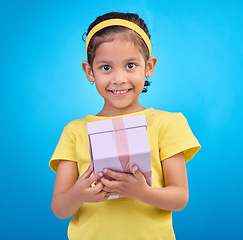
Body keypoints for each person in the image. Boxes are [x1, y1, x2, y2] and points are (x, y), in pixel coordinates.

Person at [50, 12, 201, 240]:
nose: (119, 78)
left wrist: (140, 192)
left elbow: (180, 198)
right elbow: (60, 209)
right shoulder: (75, 131)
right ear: (89, 71)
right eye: (106, 67)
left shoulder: (168, 124)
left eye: (130, 65)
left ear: (148, 67)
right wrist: (76, 195)